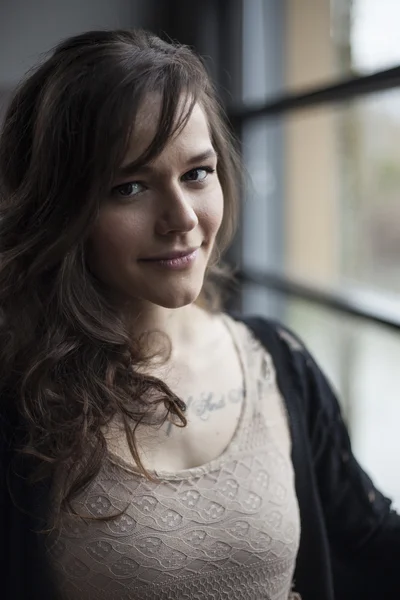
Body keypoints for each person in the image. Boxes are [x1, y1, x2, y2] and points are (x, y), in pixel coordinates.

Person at [0, 29, 399, 600]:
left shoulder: (276, 361)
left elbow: (369, 545)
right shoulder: (21, 400)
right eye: (130, 186)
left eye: (197, 174)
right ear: (63, 208)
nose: (181, 218)